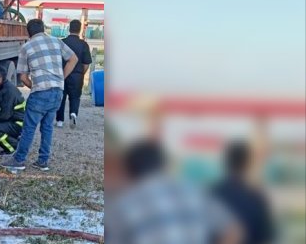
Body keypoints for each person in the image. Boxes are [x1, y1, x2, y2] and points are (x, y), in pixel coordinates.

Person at [105, 140, 243, 244]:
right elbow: (233, 229)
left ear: (130, 171)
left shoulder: (124, 204)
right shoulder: (193, 190)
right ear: (163, 165)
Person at [1, 19, 78, 171]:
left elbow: (23, 77)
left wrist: (34, 86)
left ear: (28, 33)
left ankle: (19, 160)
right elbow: (73, 59)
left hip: (40, 92)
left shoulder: (26, 47)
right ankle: (43, 161)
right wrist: (61, 78)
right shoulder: (56, 41)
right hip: (58, 91)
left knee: (29, 128)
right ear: (43, 29)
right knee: (47, 127)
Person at [212, 141, 275, 244]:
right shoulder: (257, 197)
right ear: (248, 164)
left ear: (226, 162)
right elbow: (266, 237)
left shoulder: (212, 194)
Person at [56, 19, 93, 128]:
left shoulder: (62, 42)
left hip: (63, 74)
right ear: (80, 29)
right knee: (75, 97)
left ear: (69, 28)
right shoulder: (84, 44)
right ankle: (73, 113)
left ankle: (59, 121)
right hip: (77, 75)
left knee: (61, 97)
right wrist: (81, 73)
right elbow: (86, 63)